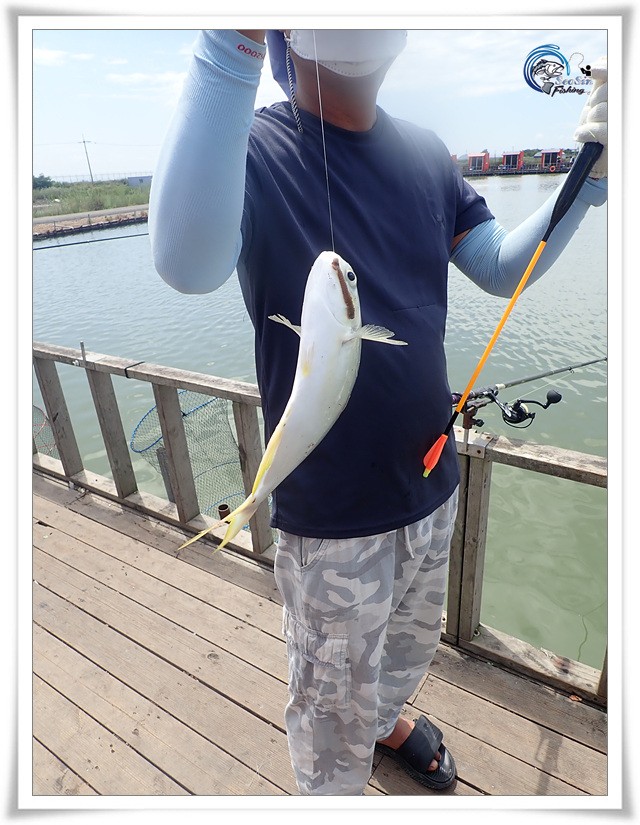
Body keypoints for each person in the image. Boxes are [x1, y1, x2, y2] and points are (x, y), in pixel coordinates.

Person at [149, 30, 607, 796]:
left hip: (432, 484)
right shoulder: (255, 150)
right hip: (332, 520)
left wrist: (590, 176)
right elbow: (185, 263)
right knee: (331, 708)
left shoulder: (426, 153)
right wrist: (231, 43)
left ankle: (387, 717)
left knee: (406, 648)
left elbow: (500, 266)